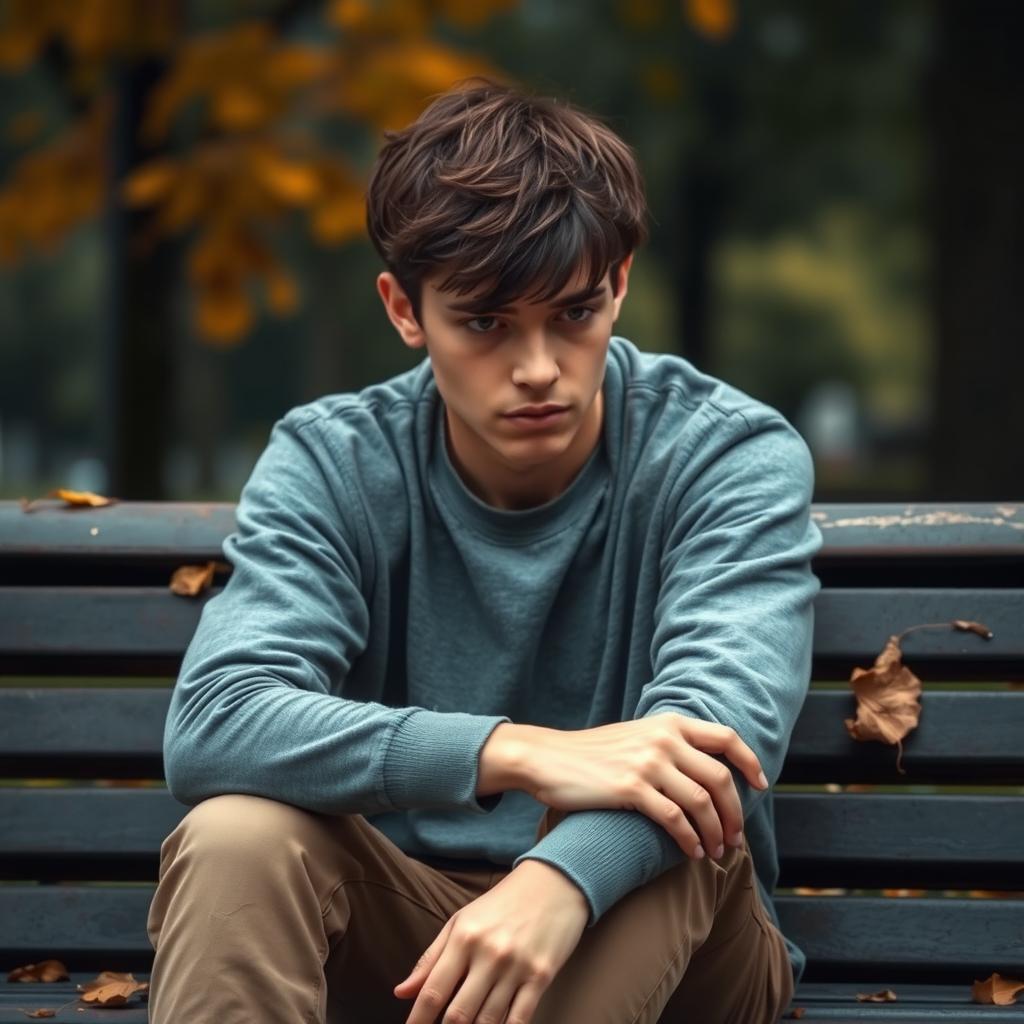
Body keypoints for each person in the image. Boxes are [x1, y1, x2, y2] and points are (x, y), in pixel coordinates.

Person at [146, 78, 822, 1024]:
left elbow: (718, 743)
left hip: (677, 949)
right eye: (486, 323)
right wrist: (517, 754)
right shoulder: (337, 458)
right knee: (235, 835)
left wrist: (561, 879)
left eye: (575, 314)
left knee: (685, 821)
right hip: (413, 943)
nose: (540, 367)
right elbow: (219, 719)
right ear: (404, 310)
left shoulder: (725, 454)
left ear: (620, 281)